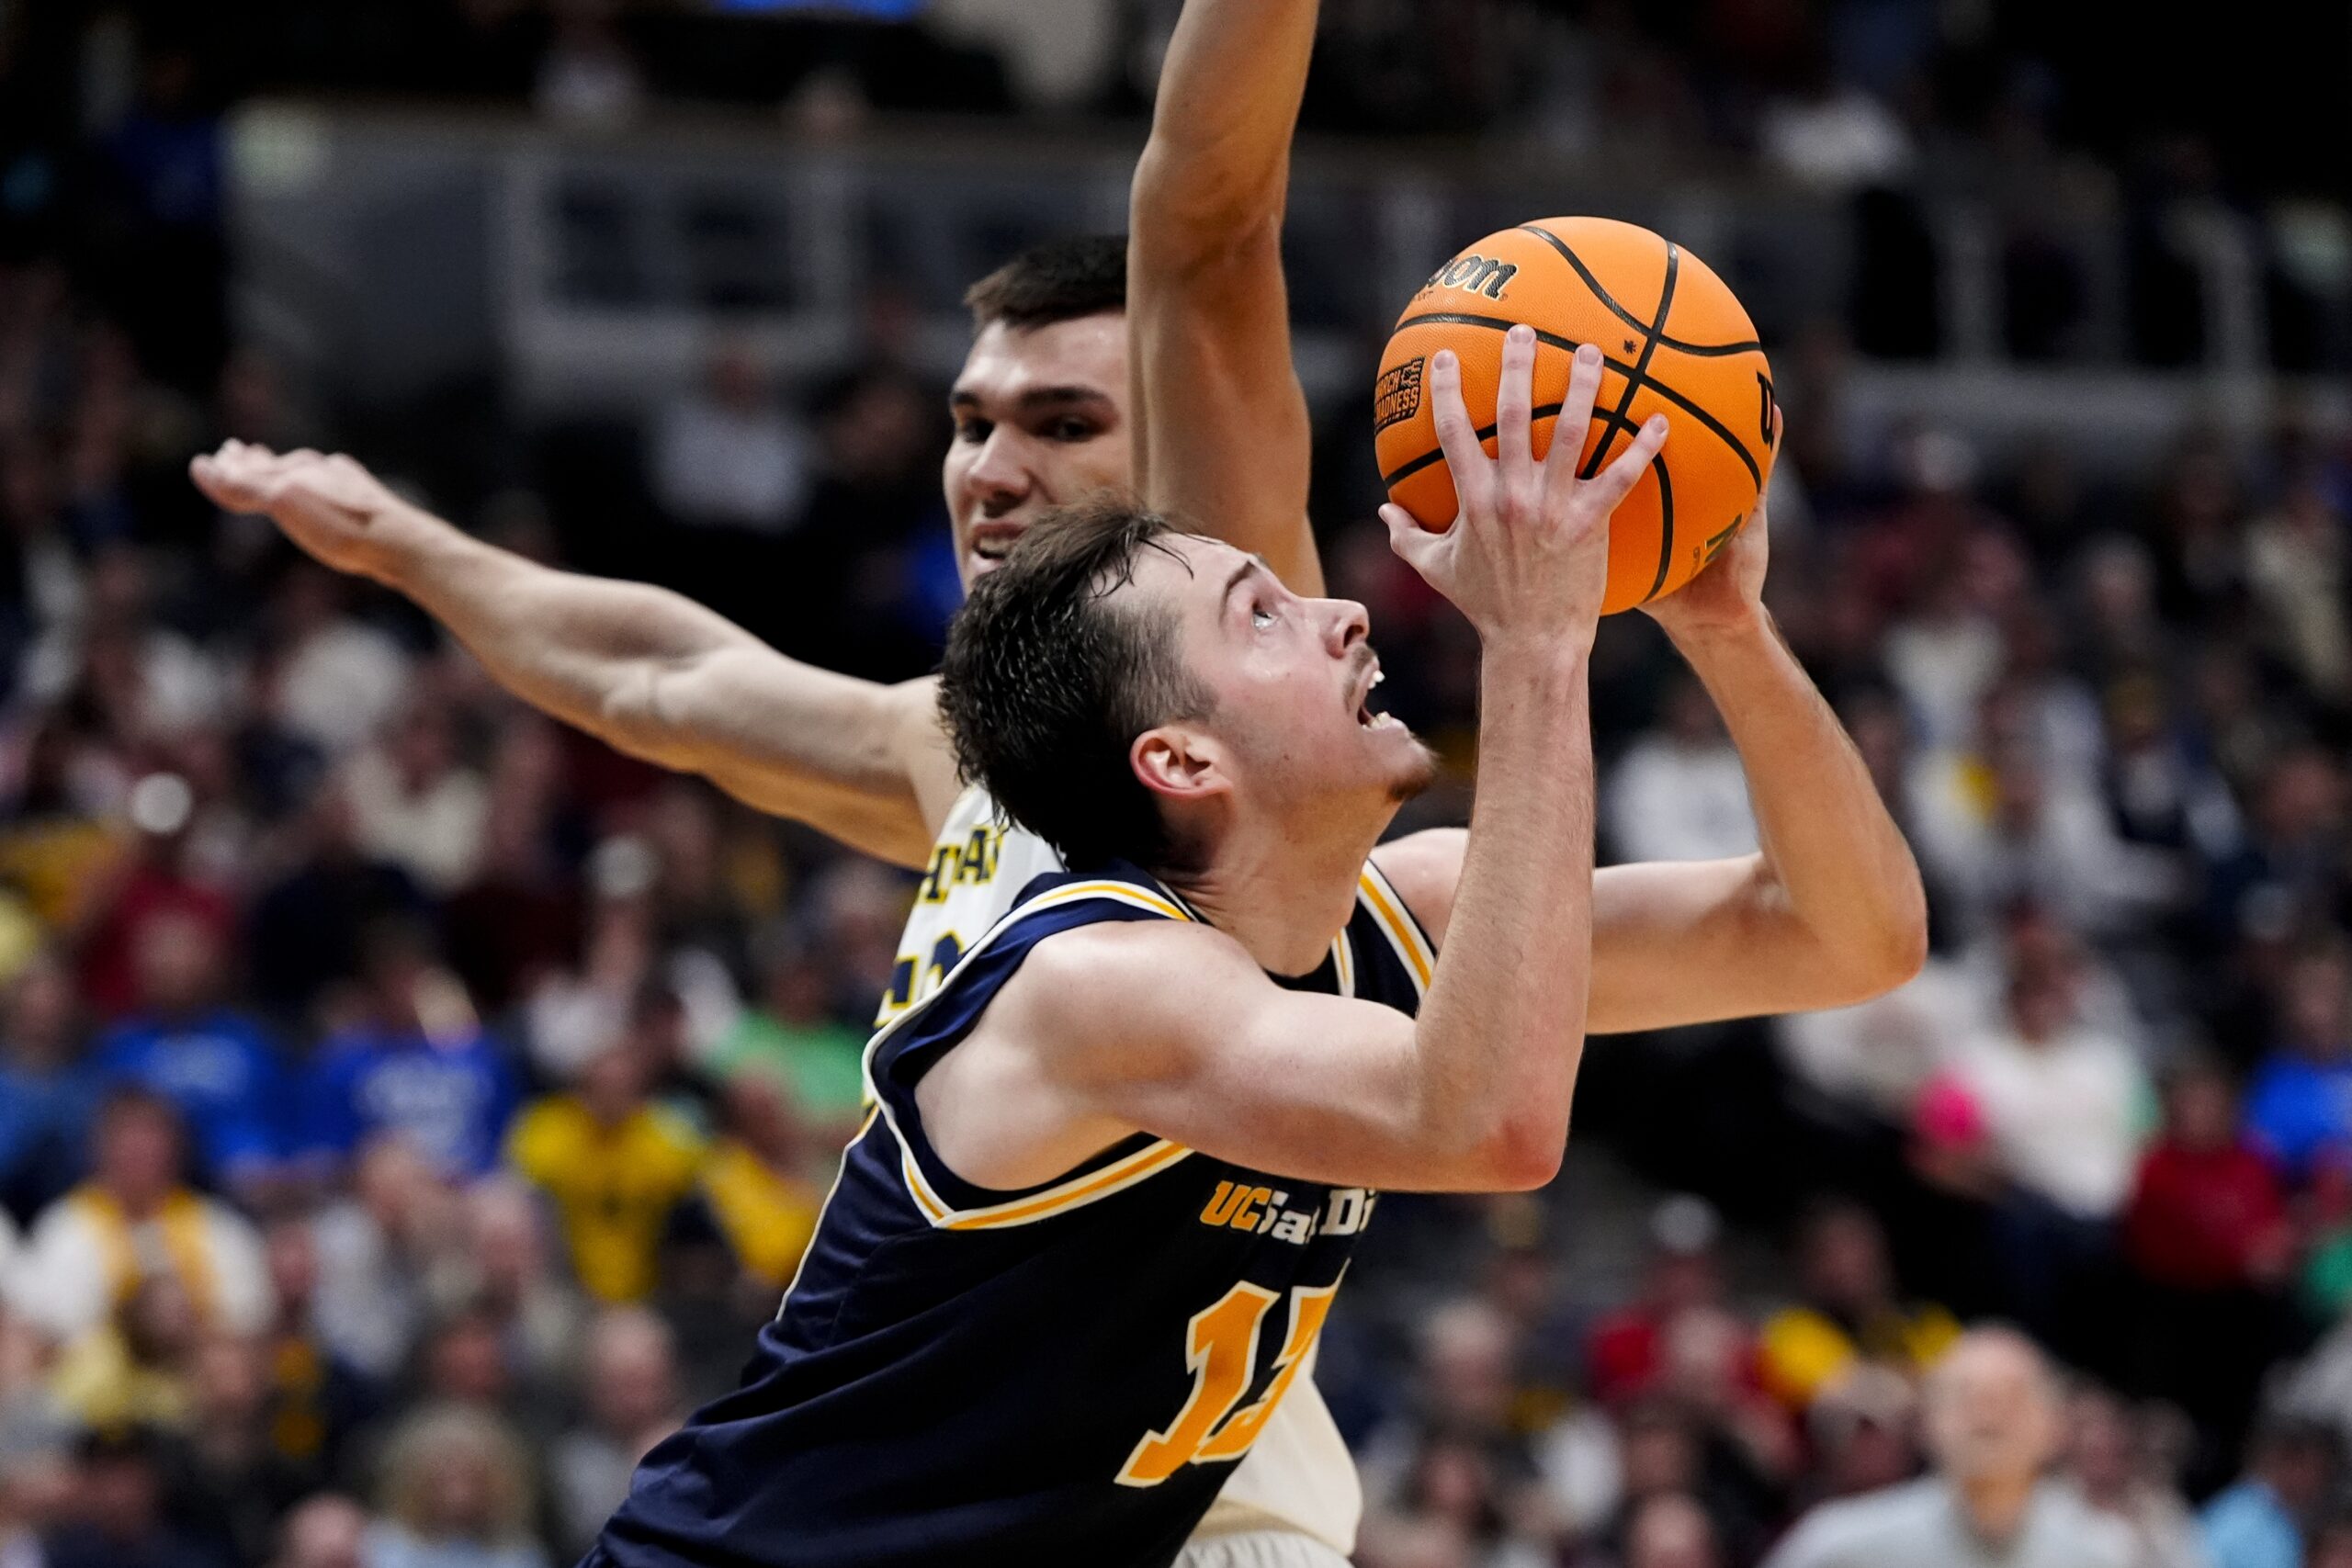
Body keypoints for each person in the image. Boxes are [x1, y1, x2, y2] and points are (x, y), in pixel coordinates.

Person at [190, 4, 1922, 1559]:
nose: (995, 470)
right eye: (968, 422)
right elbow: (662, 677)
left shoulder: (1232, 617)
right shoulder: (1005, 805)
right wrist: (407, 543)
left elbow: (1211, 223)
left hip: (1170, 1477)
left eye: (1063, 424)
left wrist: (1721, 624)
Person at [589, 326, 1920, 1563]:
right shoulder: (1095, 983)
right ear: (1179, 755)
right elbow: (1490, 1128)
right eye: (1260, 613)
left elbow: (1848, 939)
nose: (1343, 611)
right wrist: (1538, 645)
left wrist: (1725, 627)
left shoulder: (1418, 913)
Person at [1762, 1327, 2133, 1568]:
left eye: (2011, 1398)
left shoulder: (2106, 1553)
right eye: (1965, 1397)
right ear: (1925, 1424)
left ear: (2055, 1426)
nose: (1988, 1418)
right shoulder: (1839, 1547)